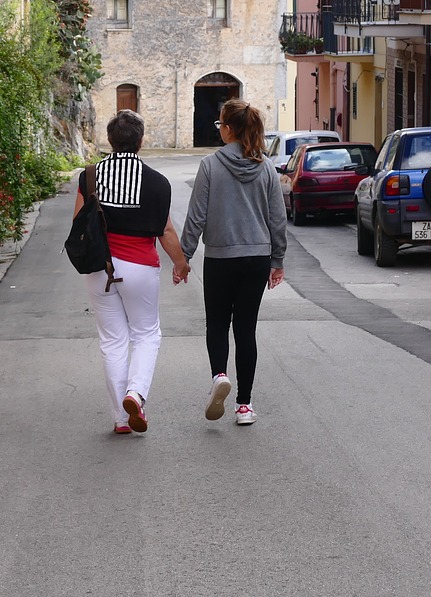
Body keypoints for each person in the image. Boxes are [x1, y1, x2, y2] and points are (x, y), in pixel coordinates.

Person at [74, 110, 190, 435]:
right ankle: (136, 394)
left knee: (112, 340)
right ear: (140, 141)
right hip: (140, 266)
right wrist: (180, 264)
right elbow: (166, 231)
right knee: (146, 334)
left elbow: (77, 224)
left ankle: (120, 419)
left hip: (99, 266)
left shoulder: (90, 176)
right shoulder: (157, 182)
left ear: (110, 141)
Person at [180, 99, 287, 426]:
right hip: (256, 259)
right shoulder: (266, 167)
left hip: (220, 259)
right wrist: (277, 259)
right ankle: (244, 406)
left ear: (228, 129)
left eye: (220, 124)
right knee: (245, 329)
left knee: (216, 323)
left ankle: (219, 377)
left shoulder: (210, 166)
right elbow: (277, 219)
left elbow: (196, 217)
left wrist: (183, 257)